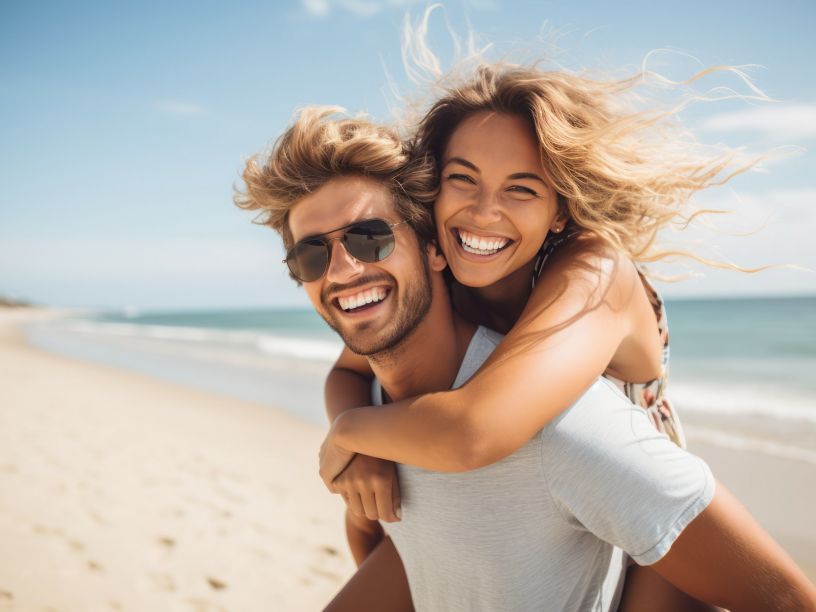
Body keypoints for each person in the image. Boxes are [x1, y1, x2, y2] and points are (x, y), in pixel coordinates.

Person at [236, 108, 816, 611]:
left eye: (370, 239)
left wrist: (351, 433)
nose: (341, 270)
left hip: (635, 474)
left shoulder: (589, 282)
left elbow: (476, 430)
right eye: (310, 256)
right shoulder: (424, 323)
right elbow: (352, 377)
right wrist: (355, 433)